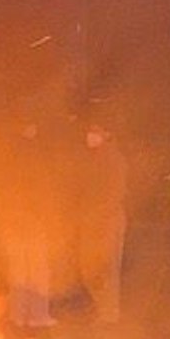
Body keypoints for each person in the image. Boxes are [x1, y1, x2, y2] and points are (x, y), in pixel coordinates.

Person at [66, 119, 127, 324]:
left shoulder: (114, 160)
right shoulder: (90, 160)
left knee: (106, 267)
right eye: (89, 132)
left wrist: (100, 217)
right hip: (90, 221)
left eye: (95, 133)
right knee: (88, 266)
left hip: (107, 221)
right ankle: (102, 308)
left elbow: (114, 194)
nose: (89, 137)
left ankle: (109, 314)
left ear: (105, 135)